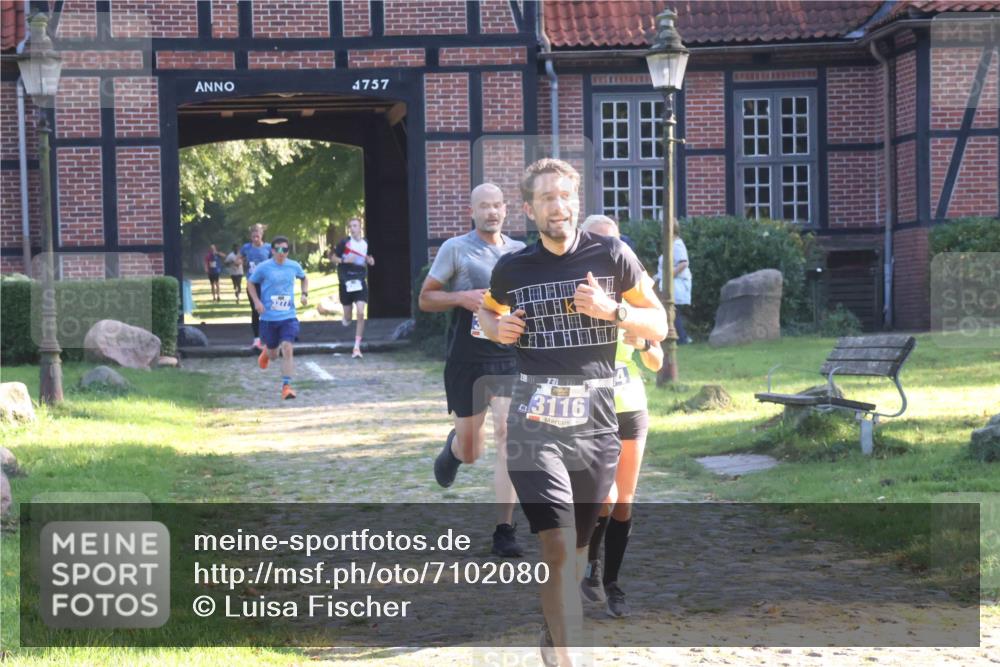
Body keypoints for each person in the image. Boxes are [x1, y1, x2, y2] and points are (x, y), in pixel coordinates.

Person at [477, 159, 667, 667]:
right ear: (528, 209)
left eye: (565, 196)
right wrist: (496, 329)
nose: (557, 206)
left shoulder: (613, 255)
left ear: (577, 201)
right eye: (546, 198)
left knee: (577, 553)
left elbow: (660, 322)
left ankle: (554, 630)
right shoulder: (513, 267)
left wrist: (614, 311)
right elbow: (487, 310)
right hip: (534, 428)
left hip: (598, 429)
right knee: (557, 549)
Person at [419, 183, 526, 558]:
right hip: (468, 358)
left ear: (505, 209)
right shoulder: (456, 249)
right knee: (472, 450)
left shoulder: (519, 252)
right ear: (472, 211)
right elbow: (426, 297)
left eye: (497, 205)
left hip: (509, 357)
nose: (492, 212)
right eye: (484, 206)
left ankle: (504, 529)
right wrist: (460, 298)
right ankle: (454, 449)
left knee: (509, 435)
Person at [578, 215, 663, 620]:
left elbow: (657, 359)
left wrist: (642, 340)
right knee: (604, 497)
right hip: (589, 406)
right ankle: (590, 567)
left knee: (624, 500)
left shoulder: (635, 298)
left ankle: (611, 582)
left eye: (612, 242)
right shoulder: (576, 294)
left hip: (630, 404)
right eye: (596, 241)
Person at [246, 236, 308, 400]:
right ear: (272, 251)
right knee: (274, 354)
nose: (282, 253)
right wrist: (257, 302)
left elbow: (304, 278)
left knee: (287, 347)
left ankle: (286, 387)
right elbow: (250, 283)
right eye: (278, 249)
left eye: (285, 250)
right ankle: (266, 352)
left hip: (288, 316)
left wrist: (304, 294)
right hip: (268, 318)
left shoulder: (294, 266)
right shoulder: (264, 267)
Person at [330, 217, 374, 359]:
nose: (353, 228)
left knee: (361, 313)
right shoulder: (345, 243)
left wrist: (370, 260)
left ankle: (356, 347)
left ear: (360, 227)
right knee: (348, 317)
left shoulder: (365, 242)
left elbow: (369, 258)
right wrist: (343, 260)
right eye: (351, 226)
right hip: (346, 280)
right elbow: (332, 257)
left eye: (355, 225)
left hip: (360, 280)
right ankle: (346, 317)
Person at [656, 230, 693, 345]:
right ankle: (681, 337)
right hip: (670, 283)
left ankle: (681, 338)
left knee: (672, 311)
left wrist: (669, 275)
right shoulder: (672, 244)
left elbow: (683, 263)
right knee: (672, 311)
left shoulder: (677, 245)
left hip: (676, 284)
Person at [240, 225, 272, 350]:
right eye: (253, 237)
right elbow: (239, 258)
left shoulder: (269, 247)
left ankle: (270, 338)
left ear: (262, 235)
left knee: (268, 309)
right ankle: (257, 339)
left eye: (257, 236)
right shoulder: (246, 248)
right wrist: (239, 261)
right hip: (252, 283)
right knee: (255, 310)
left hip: (266, 284)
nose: (255, 239)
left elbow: (280, 253)